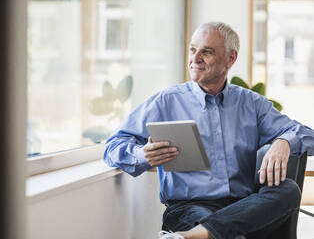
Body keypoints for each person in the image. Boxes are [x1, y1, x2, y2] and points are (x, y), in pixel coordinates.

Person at [104, 22, 314, 239]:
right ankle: (203, 233)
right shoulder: (166, 101)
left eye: (207, 52)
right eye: (193, 50)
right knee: (232, 231)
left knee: (288, 190)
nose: (195, 59)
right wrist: (141, 155)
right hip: (189, 208)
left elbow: (308, 136)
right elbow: (112, 146)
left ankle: (192, 236)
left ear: (231, 58)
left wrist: (285, 141)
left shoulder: (251, 104)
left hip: (243, 207)